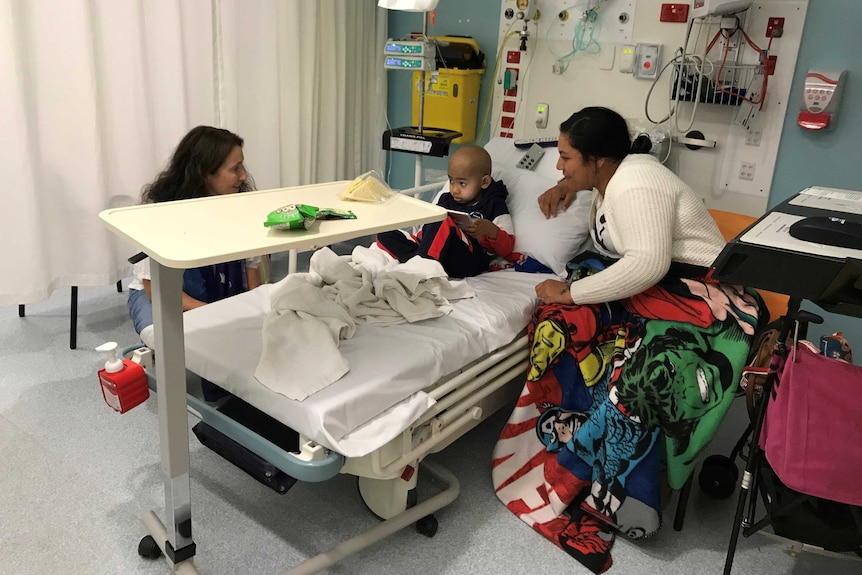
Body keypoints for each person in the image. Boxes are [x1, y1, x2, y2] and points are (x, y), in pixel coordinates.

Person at [491, 107, 761, 574]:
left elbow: (648, 264)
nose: (559, 165)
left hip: (702, 299)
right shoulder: (611, 178)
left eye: (568, 158)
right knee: (559, 328)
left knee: (638, 378)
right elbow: (621, 246)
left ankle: (607, 490)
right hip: (651, 289)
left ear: (598, 160)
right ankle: (562, 436)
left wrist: (573, 290)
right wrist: (572, 187)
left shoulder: (637, 183)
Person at [127, 126, 262, 351]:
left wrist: (255, 310)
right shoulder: (161, 215)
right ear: (205, 173)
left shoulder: (241, 208)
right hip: (161, 294)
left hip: (218, 287)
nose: (244, 176)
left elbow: (252, 273)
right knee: (167, 341)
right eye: (235, 168)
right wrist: (215, 314)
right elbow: (155, 290)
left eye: (243, 166)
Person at [375, 145, 515, 278]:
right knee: (385, 234)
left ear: (484, 182)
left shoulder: (494, 204)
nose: (454, 189)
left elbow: (507, 248)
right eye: (451, 180)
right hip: (441, 253)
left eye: (462, 183)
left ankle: (423, 266)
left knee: (442, 219)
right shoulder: (447, 199)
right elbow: (431, 226)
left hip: (469, 260)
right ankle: (422, 259)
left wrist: (491, 230)